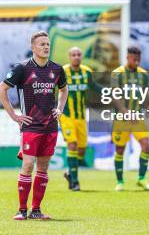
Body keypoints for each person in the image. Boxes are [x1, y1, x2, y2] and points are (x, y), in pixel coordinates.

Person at [0, 31, 68, 220]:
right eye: (42, 44)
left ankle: (36, 210)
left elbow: (64, 89)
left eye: (48, 44)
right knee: (28, 165)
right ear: (33, 47)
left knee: (43, 168)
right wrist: (14, 115)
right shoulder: (22, 69)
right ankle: (21, 210)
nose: (46, 47)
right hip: (30, 126)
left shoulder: (57, 69)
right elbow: (1, 89)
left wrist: (60, 108)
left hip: (50, 126)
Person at [110, 46, 149, 192]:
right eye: (134, 59)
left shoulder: (144, 75)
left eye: (139, 59)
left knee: (146, 145)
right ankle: (120, 181)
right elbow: (115, 95)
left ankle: (141, 178)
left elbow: (146, 96)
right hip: (122, 118)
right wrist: (124, 111)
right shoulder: (117, 73)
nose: (137, 62)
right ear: (127, 57)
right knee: (120, 149)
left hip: (138, 118)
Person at [61, 47, 92, 191]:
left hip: (81, 117)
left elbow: (96, 88)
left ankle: (70, 173)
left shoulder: (87, 72)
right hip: (66, 116)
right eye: (73, 55)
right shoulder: (62, 72)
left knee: (82, 151)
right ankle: (75, 181)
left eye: (79, 54)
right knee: (72, 145)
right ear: (69, 56)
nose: (76, 57)